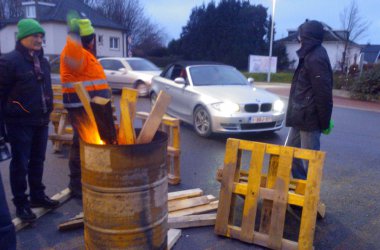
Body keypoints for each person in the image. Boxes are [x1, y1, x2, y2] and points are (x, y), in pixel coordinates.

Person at [0, 18, 59, 222]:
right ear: (23, 37)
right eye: (35, 35)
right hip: (19, 123)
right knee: (20, 165)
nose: (39, 39)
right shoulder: (9, 61)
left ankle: (37, 196)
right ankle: (21, 204)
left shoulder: (42, 61)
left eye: (41, 36)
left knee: (38, 161)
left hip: (41, 121)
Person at [60, 17, 111, 198]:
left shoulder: (86, 53)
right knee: (81, 142)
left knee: (94, 141)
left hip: (94, 105)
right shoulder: (73, 52)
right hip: (80, 105)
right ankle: (76, 184)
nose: (93, 41)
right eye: (90, 38)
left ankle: (91, 179)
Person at [285, 20, 333, 180]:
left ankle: (310, 197)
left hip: (310, 119)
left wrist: (324, 122)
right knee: (289, 153)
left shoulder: (316, 57)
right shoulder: (310, 54)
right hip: (300, 116)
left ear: (307, 37)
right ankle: (301, 189)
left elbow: (323, 92)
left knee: (311, 160)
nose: (299, 39)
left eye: (301, 35)